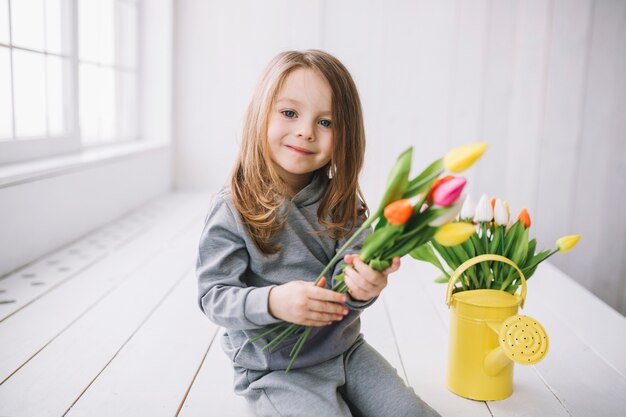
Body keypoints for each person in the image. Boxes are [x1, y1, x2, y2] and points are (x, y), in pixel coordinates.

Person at [197, 49, 440, 417]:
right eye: (289, 113)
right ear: (260, 114)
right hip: (275, 368)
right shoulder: (234, 207)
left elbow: (352, 292)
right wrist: (274, 301)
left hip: (345, 352)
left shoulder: (342, 205)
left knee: (410, 413)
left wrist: (364, 287)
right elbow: (214, 296)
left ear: (345, 135)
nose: (306, 131)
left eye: (326, 122)